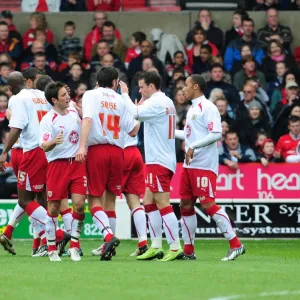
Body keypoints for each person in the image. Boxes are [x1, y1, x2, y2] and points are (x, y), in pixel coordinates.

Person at [174, 74, 245, 261]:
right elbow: (190, 136)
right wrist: (169, 132)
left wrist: (194, 147)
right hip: (190, 165)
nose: (183, 89)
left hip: (204, 165)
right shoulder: (193, 109)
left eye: (186, 85)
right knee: (185, 204)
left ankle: (236, 244)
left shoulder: (208, 107)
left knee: (207, 203)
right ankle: (188, 251)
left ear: (196, 86)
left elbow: (216, 133)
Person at [75, 66, 140, 261]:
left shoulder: (90, 95)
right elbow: (134, 130)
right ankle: (107, 246)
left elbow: (87, 120)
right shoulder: (120, 100)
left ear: (98, 81)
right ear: (114, 83)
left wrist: (82, 146)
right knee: (110, 200)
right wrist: (139, 109)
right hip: (118, 152)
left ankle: (108, 237)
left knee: (94, 199)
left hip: (97, 151)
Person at [120, 71, 183, 261]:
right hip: (159, 159)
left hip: (159, 161)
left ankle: (175, 246)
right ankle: (156, 245)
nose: (140, 90)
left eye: (141, 87)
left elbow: (134, 113)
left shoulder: (156, 103)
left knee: (163, 203)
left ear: (152, 87)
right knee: (148, 201)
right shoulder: (167, 101)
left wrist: (124, 94)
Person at [0, 71, 51, 255]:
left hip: (25, 150)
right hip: (37, 150)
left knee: (30, 198)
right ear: (27, 81)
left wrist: (4, 152)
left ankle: (37, 241)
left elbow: (16, 125)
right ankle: (40, 242)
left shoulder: (16, 98)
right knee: (38, 198)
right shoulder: (40, 95)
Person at [40, 82, 86, 262]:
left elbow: (88, 120)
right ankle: (52, 248)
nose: (68, 97)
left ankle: (75, 246)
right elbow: (44, 145)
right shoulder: (47, 119)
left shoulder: (74, 111)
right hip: (57, 166)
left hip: (77, 164)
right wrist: (53, 141)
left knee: (80, 205)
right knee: (52, 208)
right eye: (63, 95)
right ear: (54, 100)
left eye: (67, 94)